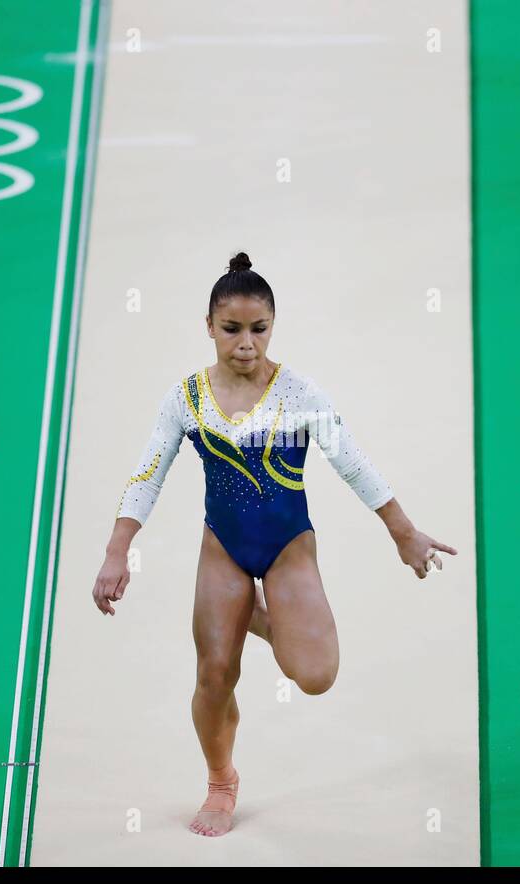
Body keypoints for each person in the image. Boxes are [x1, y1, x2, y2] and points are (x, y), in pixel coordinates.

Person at [92, 251, 456, 837]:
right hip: (224, 549)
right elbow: (146, 474)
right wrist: (116, 552)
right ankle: (220, 781)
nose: (245, 343)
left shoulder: (299, 394)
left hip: (288, 544)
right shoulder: (184, 399)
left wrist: (404, 534)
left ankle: (259, 619)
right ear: (208, 326)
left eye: (258, 329)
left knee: (314, 674)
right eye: (231, 329)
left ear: (272, 327)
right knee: (214, 674)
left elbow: (352, 462)